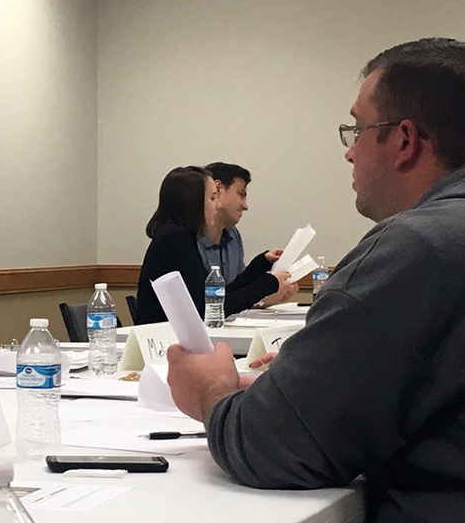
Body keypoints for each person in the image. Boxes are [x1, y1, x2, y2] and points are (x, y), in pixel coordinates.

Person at [167, 38, 465, 522]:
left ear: (405, 141)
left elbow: (272, 445)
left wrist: (210, 389)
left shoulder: (419, 246)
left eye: (358, 129)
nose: (349, 154)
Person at [134, 166, 294, 325]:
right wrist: (269, 283)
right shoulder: (175, 239)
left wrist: (261, 264)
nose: (217, 206)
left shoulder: (179, 236)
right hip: (161, 340)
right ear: (194, 203)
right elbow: (208, 308)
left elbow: (217, 296)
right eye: (212, 198)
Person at [197, 162, 249, 284]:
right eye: (241, 194)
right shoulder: (187, 236)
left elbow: (240, 290)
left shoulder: (233, 234)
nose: (245, 206)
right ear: (218, 190)